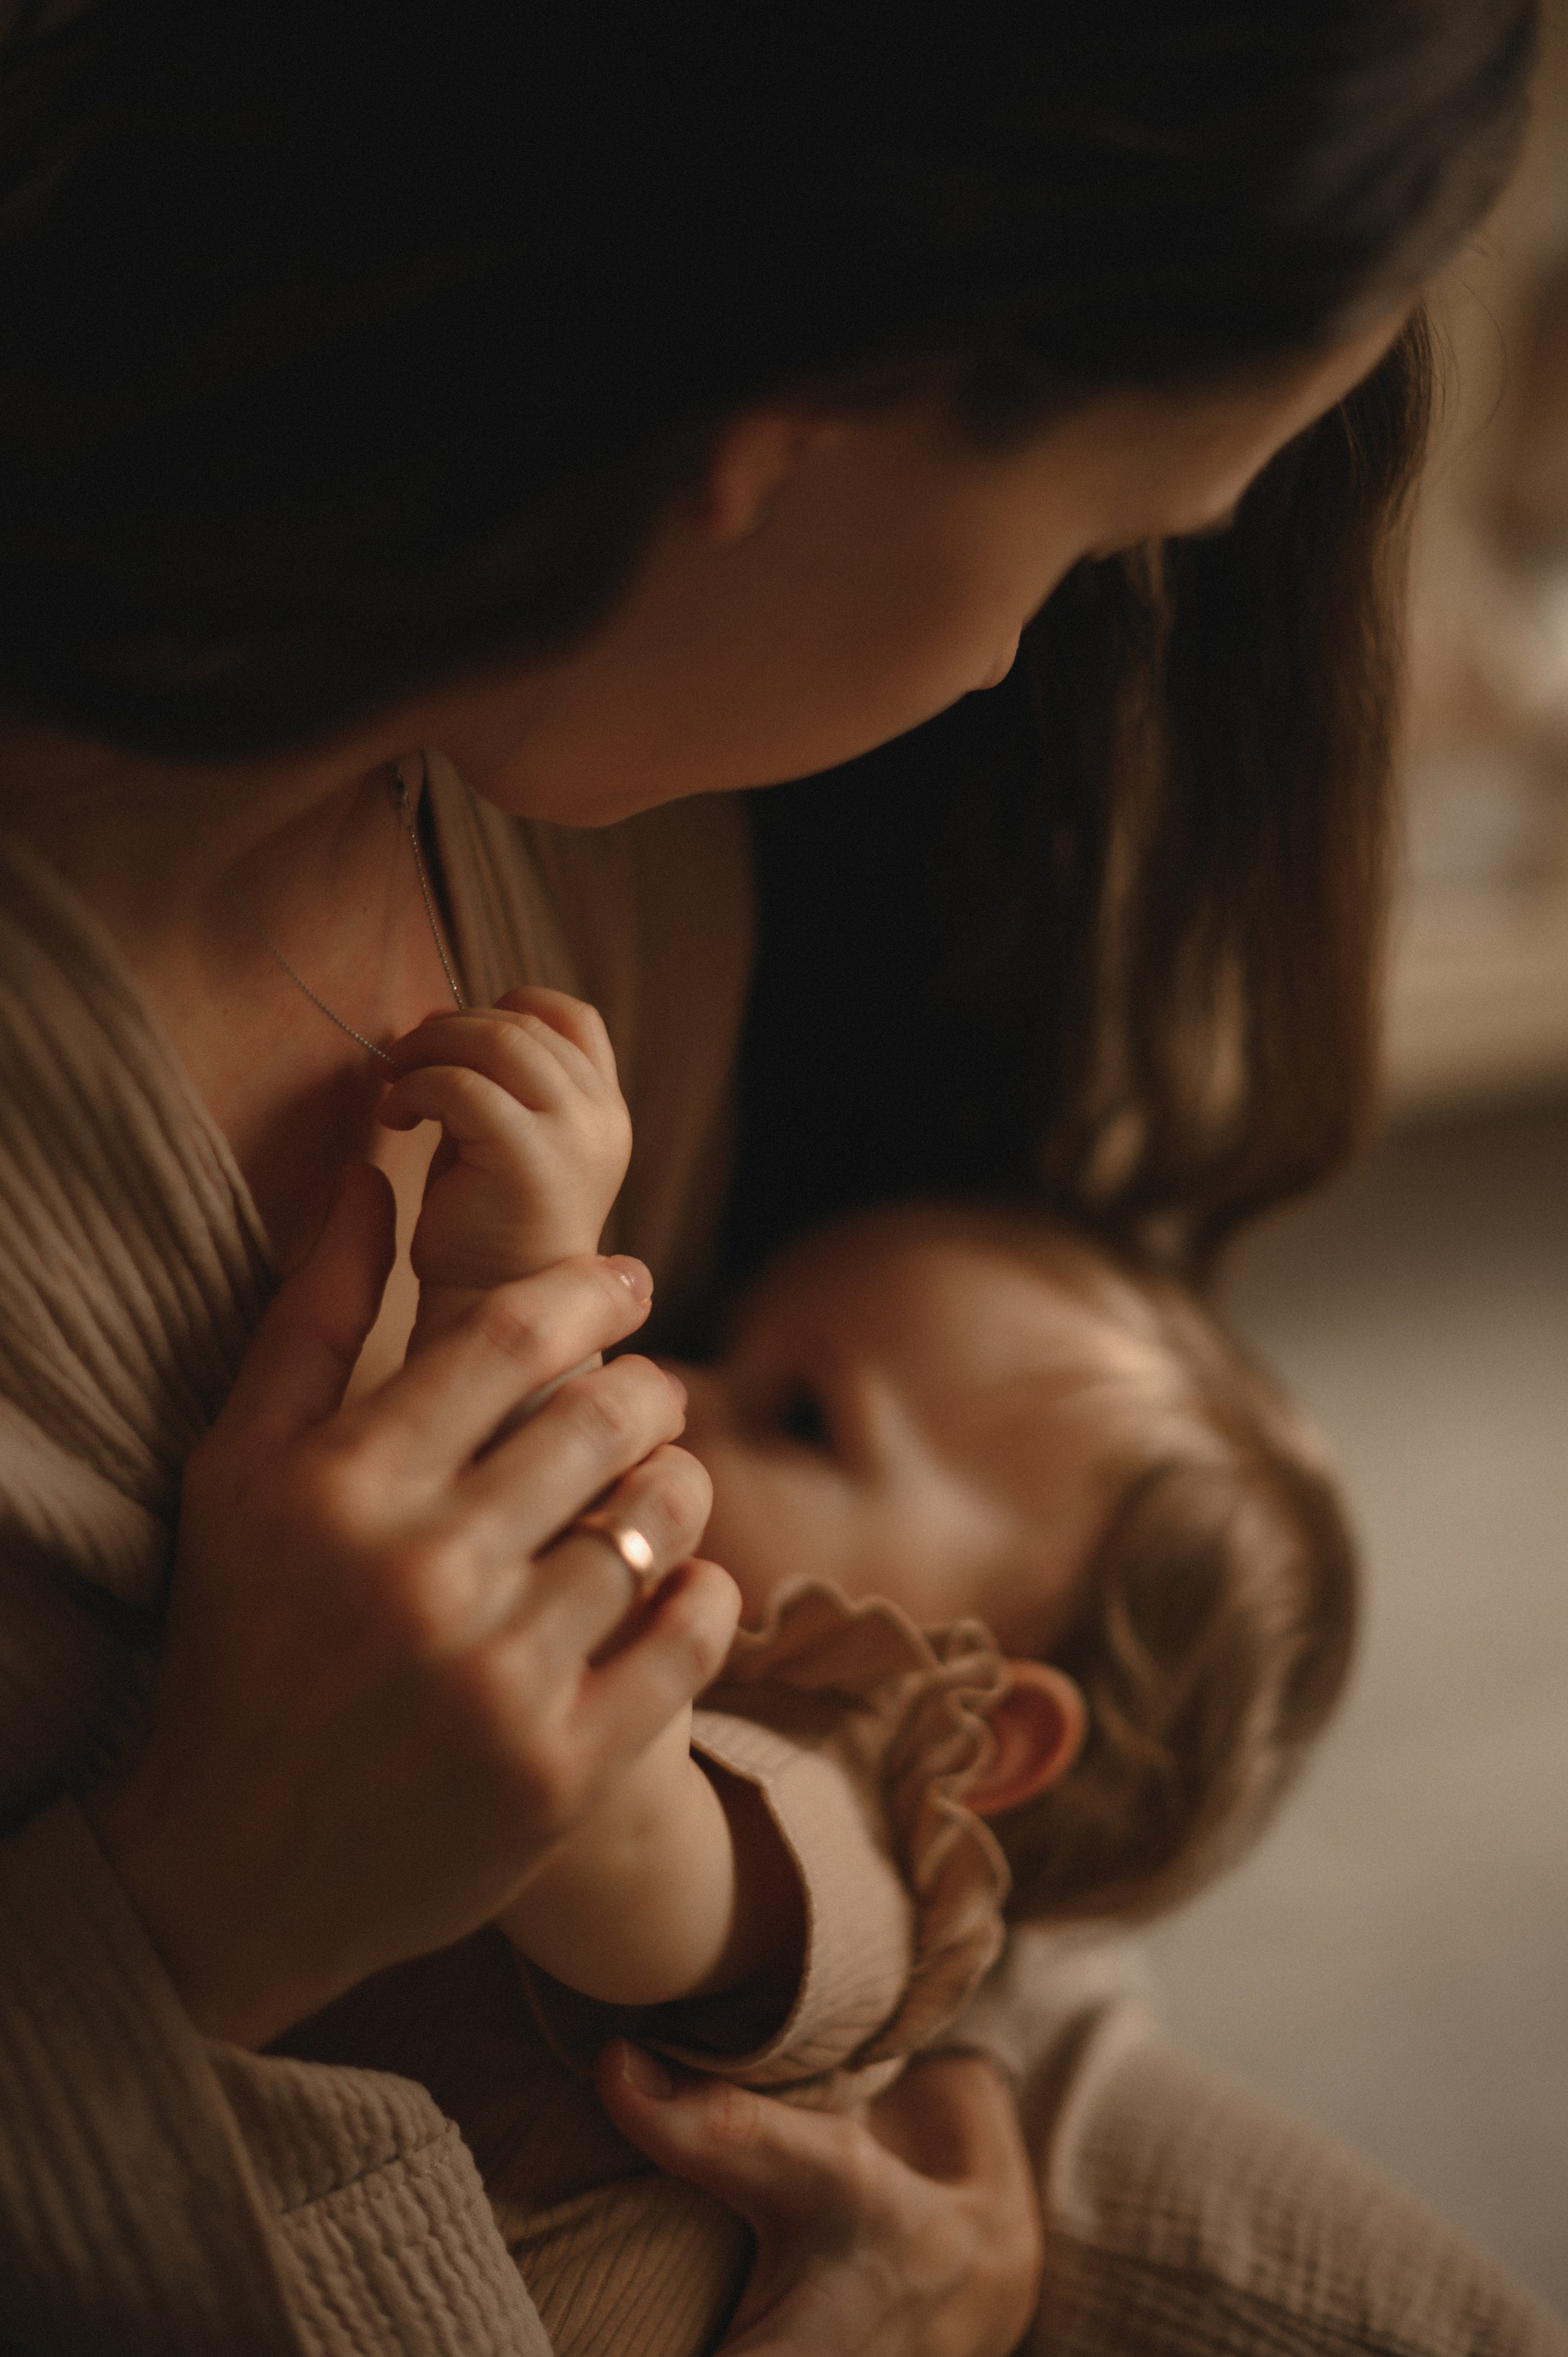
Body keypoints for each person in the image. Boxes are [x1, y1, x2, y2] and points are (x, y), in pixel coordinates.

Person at [0, 4, 1559, 2353]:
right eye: (1098, 538)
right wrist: (199, 1908)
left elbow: (848, 1793)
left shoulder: (639, 832)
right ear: (776, 450)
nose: (1026, 656)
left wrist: (961, 2177)